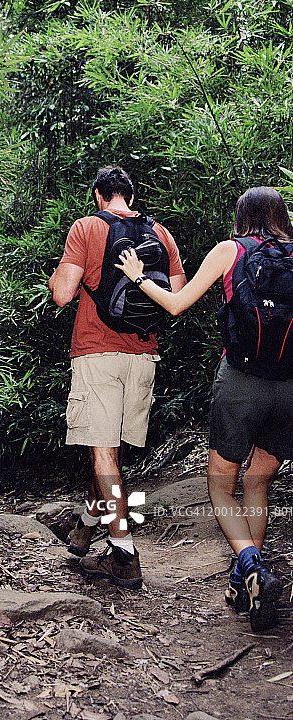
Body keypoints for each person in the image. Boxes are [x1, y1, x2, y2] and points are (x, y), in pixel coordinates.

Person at [116, 185, 292, 631]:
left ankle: (251, 566)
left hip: (241, 381)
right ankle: (245, 583)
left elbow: (177, 304)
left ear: (242, 217)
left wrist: (138, 277)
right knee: (258, 482)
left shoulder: (231, 251)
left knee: (220, 486)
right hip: (290, 388)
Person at [48, 165, 186, 588]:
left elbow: (63, 294)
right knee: (110, 454)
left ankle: (124, 553)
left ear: (98, 195)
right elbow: (177, 295)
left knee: (104, 454)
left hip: (97, 353)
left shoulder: (86, 227)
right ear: (132, 196)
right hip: (143, 355)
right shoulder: (160, 233)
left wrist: (57, 275)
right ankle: (86, 527)